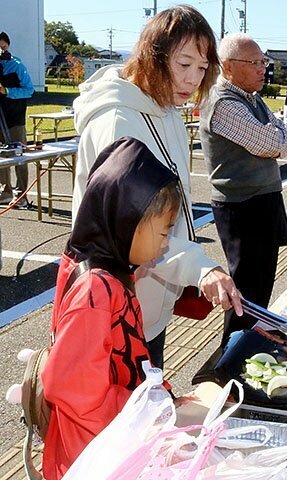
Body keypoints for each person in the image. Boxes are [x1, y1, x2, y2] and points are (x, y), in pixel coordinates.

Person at [72, 6, 241, 369]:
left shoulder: (166, 112)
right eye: (184, 64)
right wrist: (199, 268)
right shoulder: (118, 121)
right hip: (114, 308)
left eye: (202, 68)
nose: (194, 79)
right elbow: (131, 230)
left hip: (147, 303)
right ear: (153, 55)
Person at [42, 137, 183, 480]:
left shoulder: (109, 270)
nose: (165, 244)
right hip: (94, 454)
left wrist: (159, 398)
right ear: (127, 221)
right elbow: (73, 389)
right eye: (163, 232)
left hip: (112, 440)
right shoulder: (97, 290)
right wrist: (145, 411)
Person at [200, 33, 287, 342]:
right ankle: (232, 360)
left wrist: (276, 137)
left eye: (263, 61)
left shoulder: (251, 98)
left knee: (260, 285)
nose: (262, 69)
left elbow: (285, 139)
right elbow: (268, 142)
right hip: (242, 206)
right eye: (253, 62)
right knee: (245, 290)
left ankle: (249, 347)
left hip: (261, 202)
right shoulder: (224, 102)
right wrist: (276, 137)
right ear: (227, 66)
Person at [0, 31, 34, 207]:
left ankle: (21, 195)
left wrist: (7, 91)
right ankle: (5, 192)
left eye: (2, 47)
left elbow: (29, 90)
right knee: (1, 157)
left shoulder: (17, 65)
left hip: (15, 118)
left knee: (19, 156)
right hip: (0, 118)